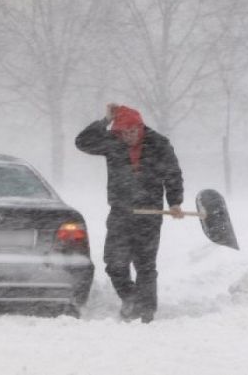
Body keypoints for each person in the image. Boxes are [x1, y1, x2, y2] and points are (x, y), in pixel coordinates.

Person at [75, 104, 184, 323]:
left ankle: (146, 311)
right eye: (123, 132)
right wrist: (105, 120)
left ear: (140, 126)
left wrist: (174, 202)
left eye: (132, 131)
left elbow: (172, 173)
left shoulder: (159, 144)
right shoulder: (113, 142)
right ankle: (131, 297)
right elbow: (82, 142)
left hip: (150, 213)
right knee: (114, 262)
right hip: (120, 212)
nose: (128, 137)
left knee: (145, 264)